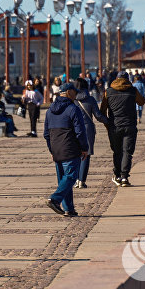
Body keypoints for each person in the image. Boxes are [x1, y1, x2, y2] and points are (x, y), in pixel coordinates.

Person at [43, 82, 88, 217]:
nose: (76, 95)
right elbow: (80, 131)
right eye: (74, 92)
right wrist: (84, 148)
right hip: (70, 148)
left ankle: (68, 209)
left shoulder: (50, 110)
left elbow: (46, 134)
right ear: (68, 92)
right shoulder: (73, 109)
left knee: (64, 179)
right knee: (71, 176)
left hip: (57, 149)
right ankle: (55, 199)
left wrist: (52, 150)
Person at [101, 71, 145, 187]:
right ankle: (124, 176)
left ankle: (117, 174)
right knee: (127, 152)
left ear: (116, 79)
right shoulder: (132, 91)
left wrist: (108, 124)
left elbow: (102, 111)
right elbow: (141, 102)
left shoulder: (108, 92)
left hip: (114, 126)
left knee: (117, 152)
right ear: (128, 79)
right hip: (130, 125)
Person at [73, 77, 109, 189]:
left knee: (75, 155)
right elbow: (98, 116)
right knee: (86, 154)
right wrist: (108, 122)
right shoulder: (90, 99)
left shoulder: (72, 100)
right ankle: (82, 181)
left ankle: (75, 180)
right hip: (88, 129)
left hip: (74, 129)